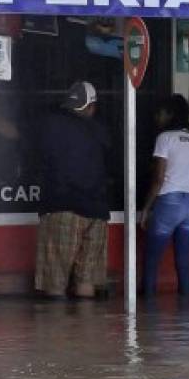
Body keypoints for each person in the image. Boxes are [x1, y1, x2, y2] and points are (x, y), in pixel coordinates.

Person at [35, 81, 110, 299]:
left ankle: (59, 330)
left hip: (61, 209)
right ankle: (86, 331)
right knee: (86, 283)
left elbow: (35, 157)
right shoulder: (101, 130)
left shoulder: (49, 125)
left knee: (56, 284)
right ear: (91, 107)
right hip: (96, 212)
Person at [141, 94, 189, 296]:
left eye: (160, 113)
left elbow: (159, 179)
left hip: (169, 201)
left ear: (170, 114)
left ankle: (147, 318)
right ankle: (185, 321)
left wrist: (146, 209)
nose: (156, 117)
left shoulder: (164, 138)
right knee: (184, 264)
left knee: (151, 261)